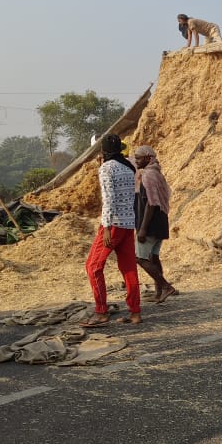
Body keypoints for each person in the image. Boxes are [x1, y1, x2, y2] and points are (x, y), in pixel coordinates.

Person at [82, 133, 142, 326]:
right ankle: (135, 312)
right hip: (128, 224)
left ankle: (101, 312)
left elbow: (109, 199)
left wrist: (106, 227)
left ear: (103, 150)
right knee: (129, 269)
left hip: (113, 224)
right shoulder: (129, 167)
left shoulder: (106, 168)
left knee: (93, 266)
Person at [132, 144, 178, 303]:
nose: (136, 160)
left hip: (150, 224)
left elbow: (151, 203)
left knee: (140, 258)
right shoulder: (156, 173)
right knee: (153, 257)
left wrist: (143, 228)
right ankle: (159, 292)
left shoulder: (149, 175)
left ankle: (165, 287)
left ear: (147, 158)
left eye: (138, 158)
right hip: (160, 221)